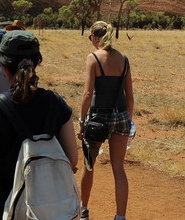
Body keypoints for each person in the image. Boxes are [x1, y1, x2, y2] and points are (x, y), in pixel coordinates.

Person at [0, 30, 78, 220]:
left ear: (3, 67)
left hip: (2, 207)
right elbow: (72, 158)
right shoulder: (56, 103)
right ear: (37, 63)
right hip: (46, 207)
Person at [78, 21, 134, 220]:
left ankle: (83, 210)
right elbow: (130, 97)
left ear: (95, 36)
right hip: (121, 117)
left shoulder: (93, 58)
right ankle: (120, 216)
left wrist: (81, 121)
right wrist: (129, 122)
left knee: (89, 164)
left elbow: (87, 94)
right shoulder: (124, 60)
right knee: (118, 168)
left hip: (98, 119)